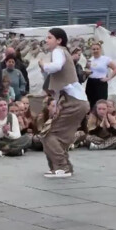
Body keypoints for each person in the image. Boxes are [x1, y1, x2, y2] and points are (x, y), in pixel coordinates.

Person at [38, 28, 90, 178]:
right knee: (58, 135)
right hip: (76, 101)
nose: (46, 40)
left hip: (73, 102)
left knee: (49, 134)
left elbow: (56, 66)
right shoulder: (63, 52)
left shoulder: (58, 51)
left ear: (59, 40)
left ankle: (62, 167)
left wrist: (44, 65)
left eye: (50, 37)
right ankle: (60, 166)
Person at [84, 42, 116, 109]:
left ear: (100, 49)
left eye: (97, 49)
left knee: (101, 102)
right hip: (91, 82)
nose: (96, 51)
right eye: (94, 49)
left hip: (101, 82)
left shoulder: (106, 59)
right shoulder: (90, 60)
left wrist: (108, 78)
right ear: (91, 50)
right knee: (90, 101)